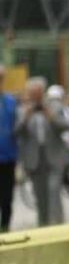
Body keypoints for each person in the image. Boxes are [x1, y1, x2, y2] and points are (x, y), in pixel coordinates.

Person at [15, 77, 69, 226]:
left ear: (43, 93)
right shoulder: (22, 110)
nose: (35, 98)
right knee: (40, 197)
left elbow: (66, 126)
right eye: (32, 94)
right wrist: (26, 116)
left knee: (54, 191)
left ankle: (58, 224)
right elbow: (17, 132)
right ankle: (43, 226)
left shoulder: (54, 106)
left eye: (38, 94)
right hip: (34, 160)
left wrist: (50, 115)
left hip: (54, 157)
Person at [0, 65, 17, 231]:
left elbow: (17, 128)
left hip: (8, 158)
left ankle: (5, 229)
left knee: (7, 197)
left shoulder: (10, 101)